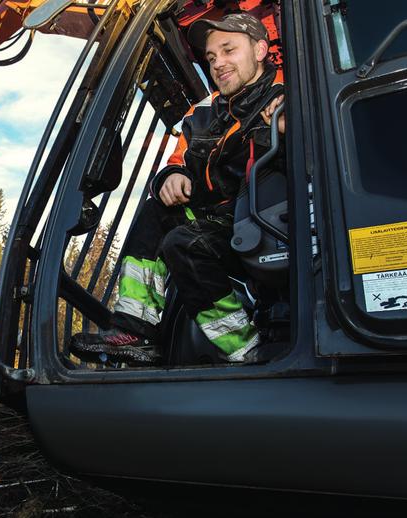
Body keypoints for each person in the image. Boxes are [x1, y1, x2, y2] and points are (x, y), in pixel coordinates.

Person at [70, 12, 285, 365]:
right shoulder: (202, 111)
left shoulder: (291, 93)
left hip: (266, 220)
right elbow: (177, 159)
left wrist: (288, 123)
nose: (219, 63)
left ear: (261, 49)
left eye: (229, 50)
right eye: (212, 57)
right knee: (157, 212)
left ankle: (247, 351)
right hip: (215, 221)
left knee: (184, 244)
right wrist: (170, 177)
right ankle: (135, 330)